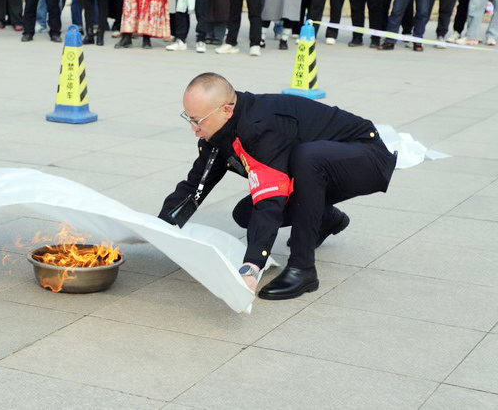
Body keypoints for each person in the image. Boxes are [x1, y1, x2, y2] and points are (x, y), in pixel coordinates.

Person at [159, 73, 397, 300]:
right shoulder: (219, 132)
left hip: (366, 157)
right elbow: (196, 183)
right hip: (322, 168)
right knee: (245, 214)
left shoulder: (261, 127)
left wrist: (251, 266)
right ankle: (326, 219)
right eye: (188, 118)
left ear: (227, 110)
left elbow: (270, 198)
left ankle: (302, 268)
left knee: (307, 158)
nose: (193, 128)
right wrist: (159, 227)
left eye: (197, 121)